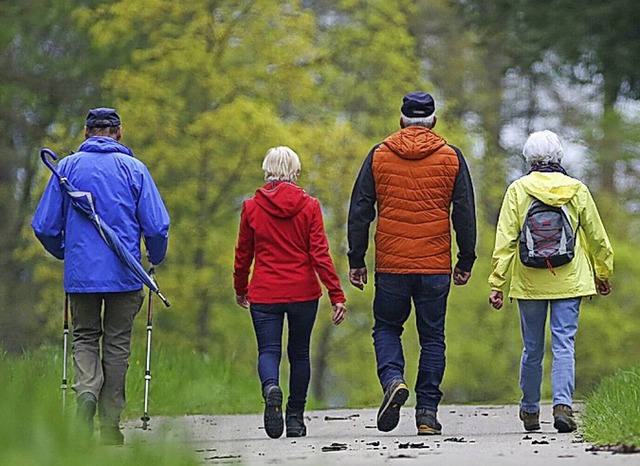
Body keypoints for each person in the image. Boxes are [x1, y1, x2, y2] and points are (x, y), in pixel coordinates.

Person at [32, 108, 170, 445]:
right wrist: (154, 256)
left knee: (84, 337)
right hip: (125, 274)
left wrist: (67, 252)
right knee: (117, 344)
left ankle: (86, 397)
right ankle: (110, 424)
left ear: (86, 132)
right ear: (119, 133)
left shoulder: (66, 168)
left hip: (82, 277)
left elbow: (44, 226)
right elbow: (157, 225)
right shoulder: (134, 169)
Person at [347, 92, 477, 436]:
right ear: (434, 121)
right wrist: (466, 259)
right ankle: (427, 414)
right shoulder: (451, 157)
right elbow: (464, 212)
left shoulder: (379, 155)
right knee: (433, 337)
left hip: (392, 263)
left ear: (401, 120)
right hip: (434, 264)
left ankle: (393, 380)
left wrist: (356, 259)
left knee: (387, 327)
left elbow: (361, 210)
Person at [488, 130, 614, 433]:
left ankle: (530, 410)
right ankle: (562, 406)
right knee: (563, 345)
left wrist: (497, 282)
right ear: (559, 157)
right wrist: (603, 272)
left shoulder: (518, 190)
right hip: (570, 279)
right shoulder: (577, 190)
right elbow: (597, 236)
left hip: (529, 281)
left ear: (528, 158)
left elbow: (505, 240)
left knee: (531, 348)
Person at [233, 146, 347, 439]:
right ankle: (295, 418)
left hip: (265, 292)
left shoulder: (251, 207)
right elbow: (320, 254)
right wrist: (336, 294)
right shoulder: (309, 206)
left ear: (266, 170)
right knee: (299, 354)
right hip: (303, 292)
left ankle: (271, 387)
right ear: (295, 171)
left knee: (268, 350)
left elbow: (243, 253)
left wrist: (240, 288)